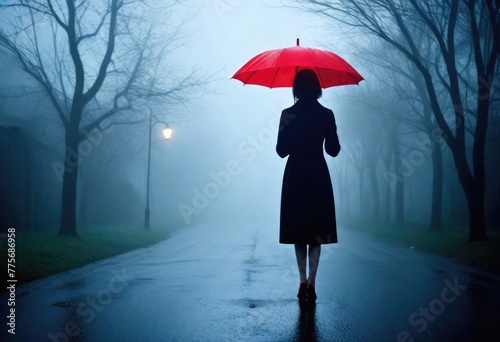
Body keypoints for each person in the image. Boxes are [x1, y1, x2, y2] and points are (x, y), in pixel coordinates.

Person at [276, 69, 341, 302]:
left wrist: (294, 136)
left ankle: (301, 280)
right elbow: (333, 150)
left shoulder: (287, 114)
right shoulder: (326, 114)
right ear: (317, 88)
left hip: (295, 176)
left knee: (298, 231)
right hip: (318, 176)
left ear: (296, 88)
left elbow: (281, 151)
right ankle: (312, 282)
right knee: (316, 232)